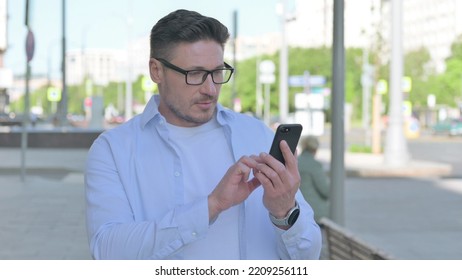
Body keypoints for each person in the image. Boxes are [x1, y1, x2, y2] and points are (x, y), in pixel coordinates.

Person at [85, 9, 321, 260]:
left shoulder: (257, 135)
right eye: (195, 74)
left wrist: (284, 212)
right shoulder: (113, 150)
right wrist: (211, 206)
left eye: (217, 72)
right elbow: (107, 252)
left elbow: (308, 256)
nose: (210, 89)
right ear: (156, 71)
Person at [298, 135, 330, 222]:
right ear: (315, 149)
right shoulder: (314, 165)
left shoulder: (295, 162)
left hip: (298, 210)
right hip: (315, 212)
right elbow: (325, 191)